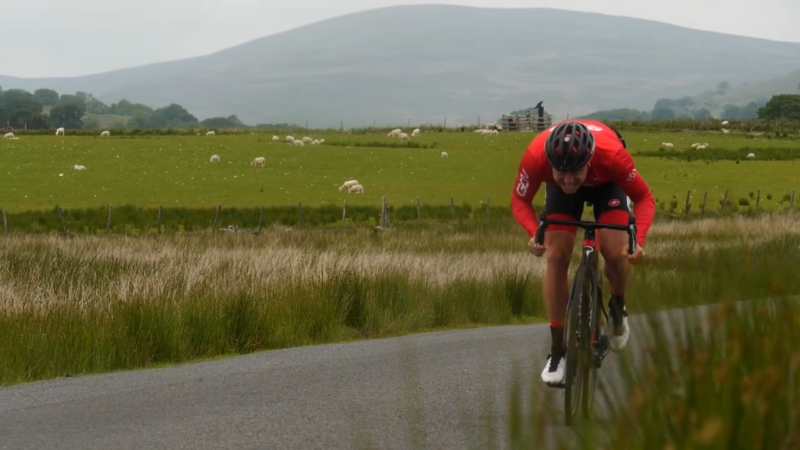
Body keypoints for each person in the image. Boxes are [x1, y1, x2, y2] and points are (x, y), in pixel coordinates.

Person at [510, 119, 655, 387]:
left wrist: (638, 242)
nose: (567, 180)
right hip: (567, 192)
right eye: (560, 172)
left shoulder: (613, 158)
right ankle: (557, 352)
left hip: (606, 183)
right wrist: (534, 233)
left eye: (575, 172)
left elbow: (645, 199)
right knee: (555, 256)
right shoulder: (536, 156)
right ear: (550, 162)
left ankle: (617, 306)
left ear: (588, 158)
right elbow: (520, 200)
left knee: (615, 252)